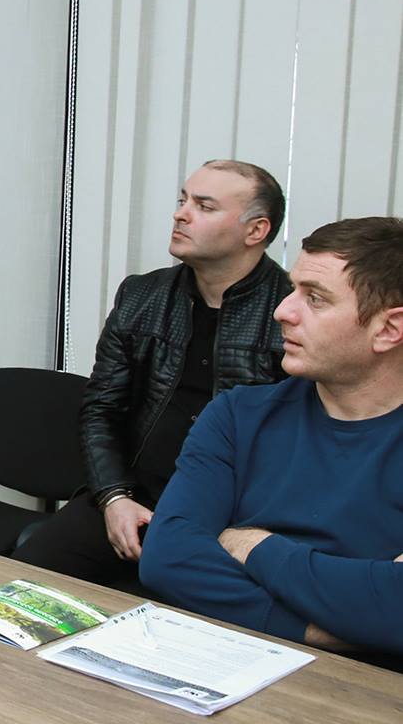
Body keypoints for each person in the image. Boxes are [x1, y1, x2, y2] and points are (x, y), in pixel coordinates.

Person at [14, 160, 291, 583]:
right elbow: (101, 410)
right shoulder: (143, 295)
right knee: (19, 589)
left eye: (204, 206)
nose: (181, 214)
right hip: (133, 495)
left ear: (256, 231)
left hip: (232, 518)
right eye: (183, 200)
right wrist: (114, 497)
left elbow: (303, 448)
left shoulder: (292, 313)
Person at [140, 217, 403, 656]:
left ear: (389, 329)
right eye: (294, 289)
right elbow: (168, 559)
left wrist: (253, 545)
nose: (283, 311)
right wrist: (325, 628)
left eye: (315, 299)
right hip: (228, 660)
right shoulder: (238, 415)